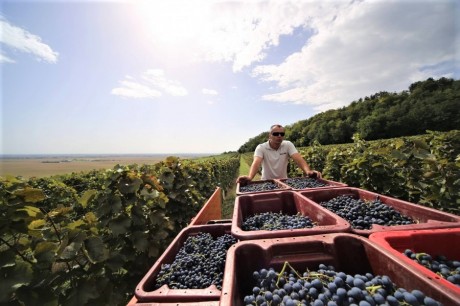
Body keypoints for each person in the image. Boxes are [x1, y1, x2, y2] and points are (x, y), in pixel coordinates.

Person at [236, 124, 322, 184]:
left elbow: (298, 159)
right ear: (269, 135)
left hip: (283, 181)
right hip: (267, 182)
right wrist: (250, 177)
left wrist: (308, 172)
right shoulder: (261, 147)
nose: (279, 136)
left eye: (282, 134)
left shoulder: (288, 144)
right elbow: (256, 162)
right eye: (276, 134)